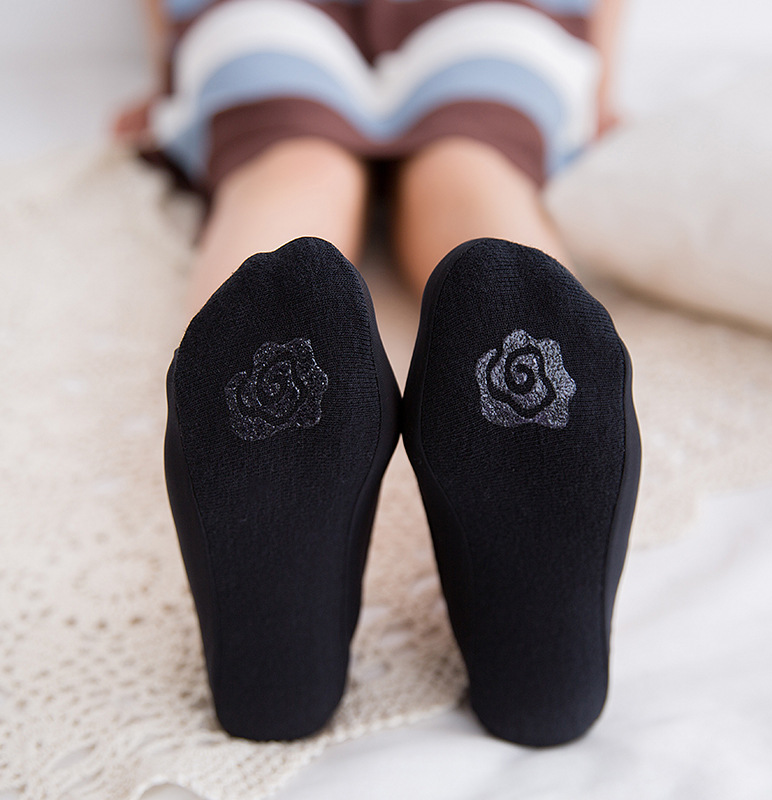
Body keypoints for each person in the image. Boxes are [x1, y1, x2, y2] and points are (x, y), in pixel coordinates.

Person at [117, 0, 640, 749]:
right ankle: (543, 645)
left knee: (287, 170)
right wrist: (599, 85)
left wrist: (170, 64)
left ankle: (276, 665)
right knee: (477, 176)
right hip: (488, 16)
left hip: (275, 15)